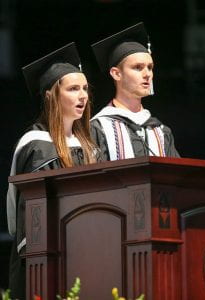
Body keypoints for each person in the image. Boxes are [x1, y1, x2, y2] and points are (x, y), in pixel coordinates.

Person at [6, 42, 100, 299]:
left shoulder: (90, 148)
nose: (83, 96)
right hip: (47, 261)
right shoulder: (36, 146)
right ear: (50, 95)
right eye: (73, 89)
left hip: (89, 254)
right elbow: (25, 218)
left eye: (84, 89)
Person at [90, 22, 180, 160]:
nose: (147, 74)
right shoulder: (98, 128)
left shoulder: (160, 131)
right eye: (138, 67)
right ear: (116, 74)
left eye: (150, 67)